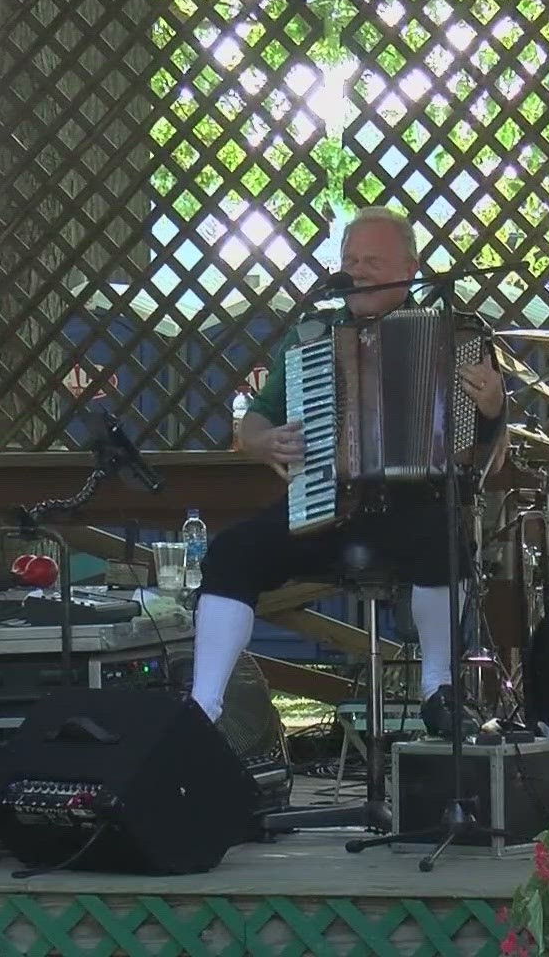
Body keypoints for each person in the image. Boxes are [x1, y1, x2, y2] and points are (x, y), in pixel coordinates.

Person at [191, 207, 508, 736]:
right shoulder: (314, 335)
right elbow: (252, 423)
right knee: (232, 551)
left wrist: (495, 404)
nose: (355, 271)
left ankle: (438, 689)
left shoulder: (456, 334)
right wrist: (265, 441)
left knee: (445, 538)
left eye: (372, 261)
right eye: (349, 259)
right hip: (327, 505)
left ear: (410, 267)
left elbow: (490, 449)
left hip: (412, 511)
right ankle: (202, 709)